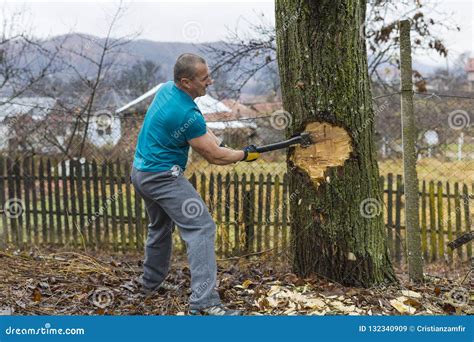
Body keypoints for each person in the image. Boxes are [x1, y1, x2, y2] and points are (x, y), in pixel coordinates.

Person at [131, 53, 259, 315]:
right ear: (186, 81)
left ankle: (150, 285)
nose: (210, 81)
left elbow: (203, 130)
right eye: (204, 78)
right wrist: (243, 155)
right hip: (162, 177)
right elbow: (213, 156)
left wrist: (222, 144)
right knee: (201, 227)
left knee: (160, 226)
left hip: (140, 171)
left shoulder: (169, 90)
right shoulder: (183, 112)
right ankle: (205, 303)